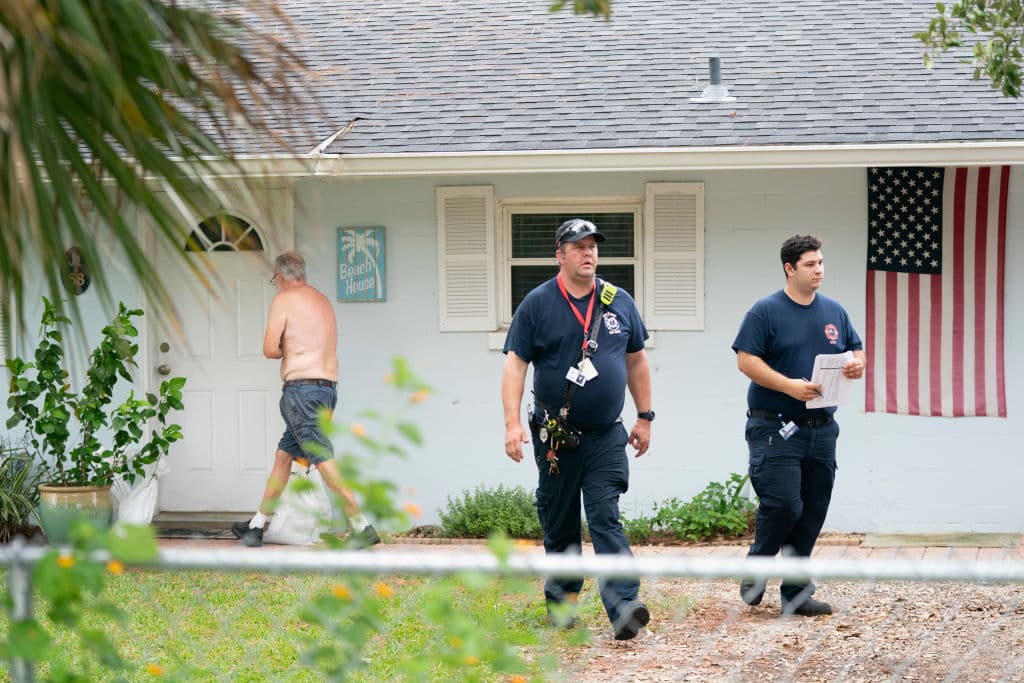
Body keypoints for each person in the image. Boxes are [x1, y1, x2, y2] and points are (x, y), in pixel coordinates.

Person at [502, 218, 654, 640]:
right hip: (556, 435)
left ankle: (624, 606)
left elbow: (637, 359)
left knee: (606, 515)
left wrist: (645, 416)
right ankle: (562, 602)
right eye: (579, 246)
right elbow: (515, 364)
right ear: (560, 254)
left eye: (593, 247)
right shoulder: (538, 303)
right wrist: (513, 423)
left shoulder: (617, 300)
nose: (589, 253)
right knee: (560, 520)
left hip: (607, 434)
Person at [731, 234, 866, 616]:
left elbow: (855, 349)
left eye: (821, 262)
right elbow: (746, 361)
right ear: (790, 269)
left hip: (822, 428)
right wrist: (789, 386)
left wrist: (857, 363)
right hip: (775, 427)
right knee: (784, 504)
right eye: (810, 264)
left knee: (812, 509)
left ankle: (796, 593)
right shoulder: (765, 311)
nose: (819, 269)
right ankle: (758, 564)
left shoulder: (834, 311)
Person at [232, 251, 380, 548]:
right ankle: (257, 525)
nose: (276, 284)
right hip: (326, 390)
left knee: (322, 458)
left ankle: (362, 526)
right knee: (284, 456)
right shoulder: (323, 301)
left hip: (301, 392)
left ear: (283, 275)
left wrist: (289, 349)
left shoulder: (284, 300)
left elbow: (270, 348)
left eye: (275, 279)